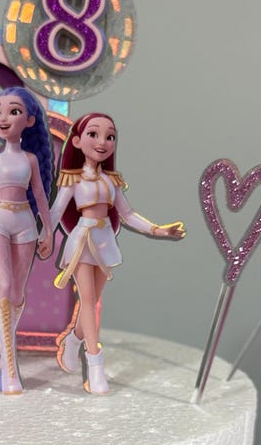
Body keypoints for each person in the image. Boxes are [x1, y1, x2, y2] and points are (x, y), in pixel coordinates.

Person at [51, 113, 185, 394]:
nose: (102, 142)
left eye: (109, 136)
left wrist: (159, 230)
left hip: (104, 242)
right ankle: (95, 364)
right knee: (88, 301)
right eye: (93, 134)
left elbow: (127, 214)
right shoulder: (72, 179)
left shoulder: (111, 180)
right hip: (82, 241)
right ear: (76, 141)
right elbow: (57, 211)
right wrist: (41, 235)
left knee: (92, 302)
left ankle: (73, 340)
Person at [0, 87, 54, 394]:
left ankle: (4, 356)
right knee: (2, 286)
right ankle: (9, 363)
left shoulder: (31, 159)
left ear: (29, 121)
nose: (3, 118)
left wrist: (48, 230)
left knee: (16, 293)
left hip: (25, 221)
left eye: (13, 111)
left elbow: (40, 195)